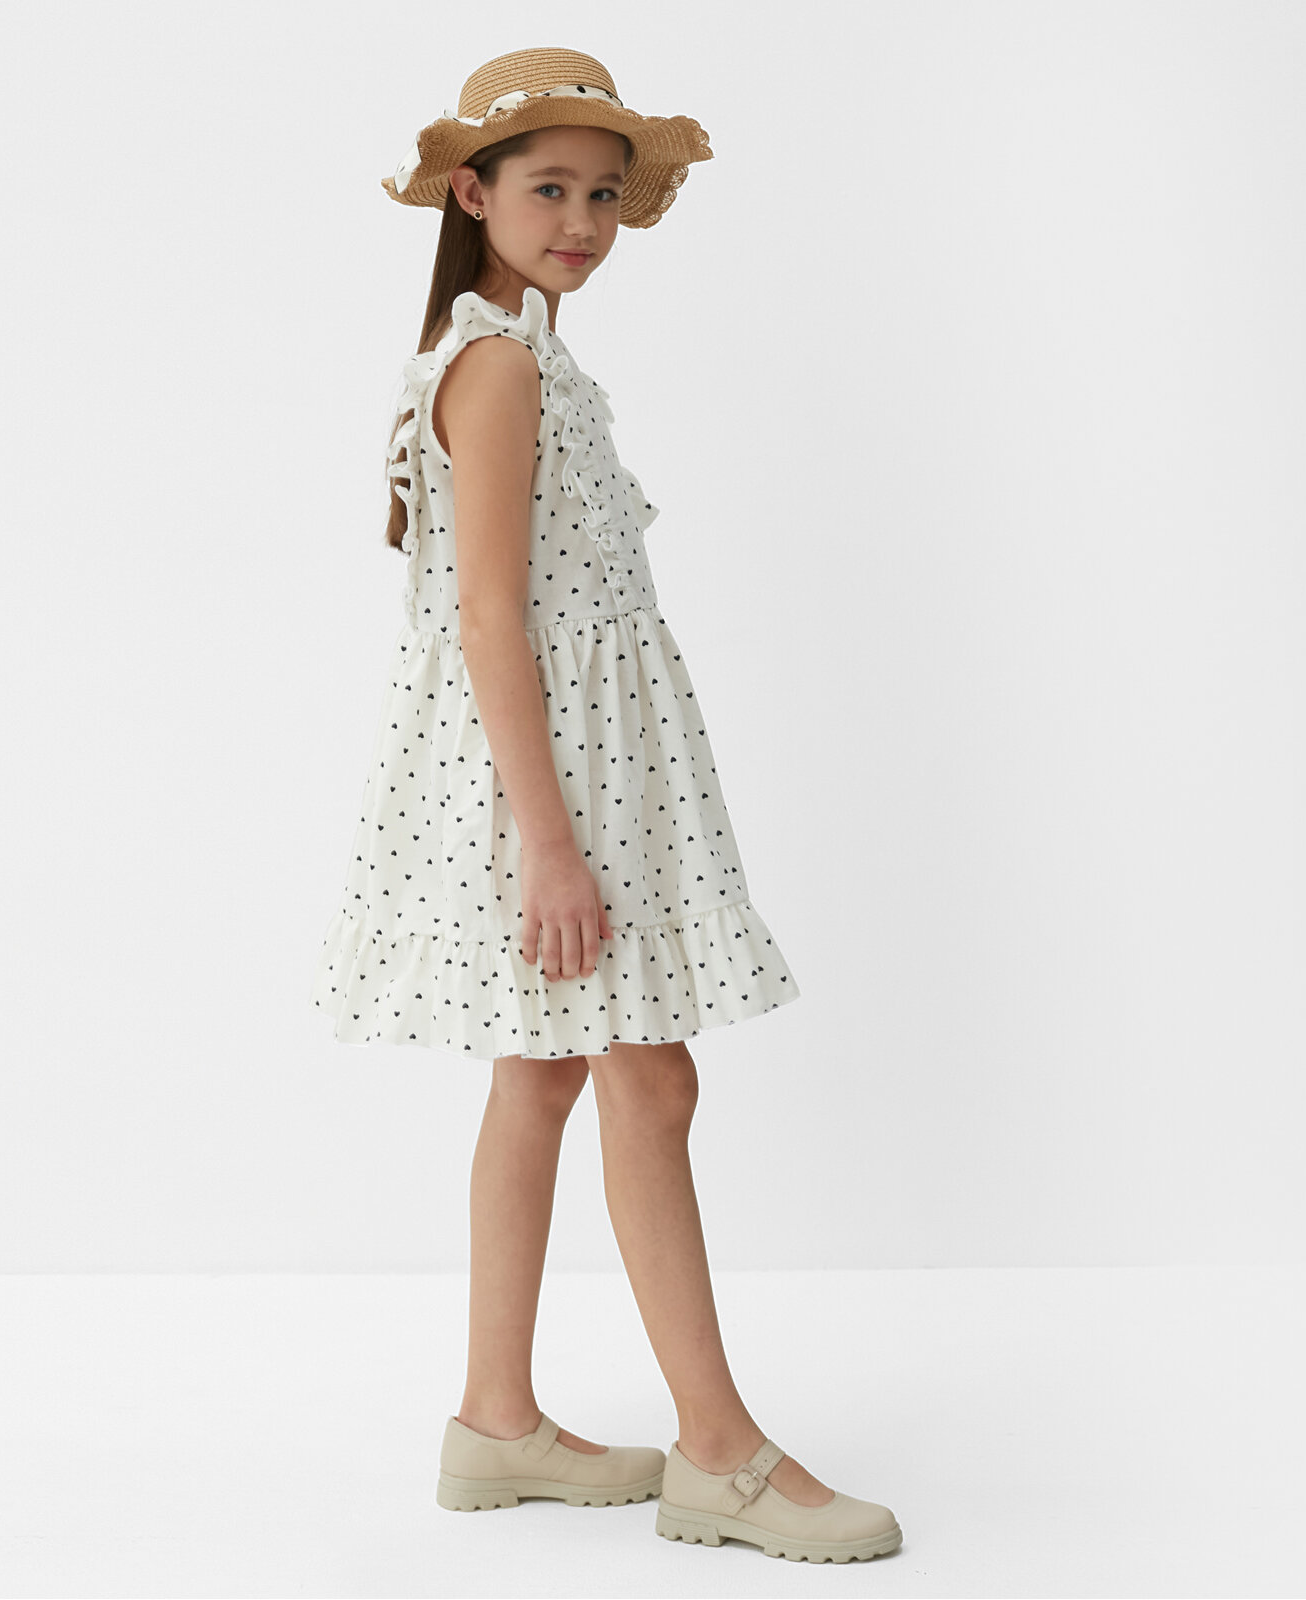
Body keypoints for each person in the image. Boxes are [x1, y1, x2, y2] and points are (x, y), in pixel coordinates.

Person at [309, 47, 902, 1564]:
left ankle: (495, 1423)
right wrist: (553, 848)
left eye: (602, 194)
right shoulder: (499, 368)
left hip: (578, 761)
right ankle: (720, 1453)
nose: (581, 221)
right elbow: (488, 619)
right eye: (549, 189)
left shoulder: (521, 354)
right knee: (650, 1081)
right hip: (556, 782)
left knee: (546, 1075)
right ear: (473, 195)